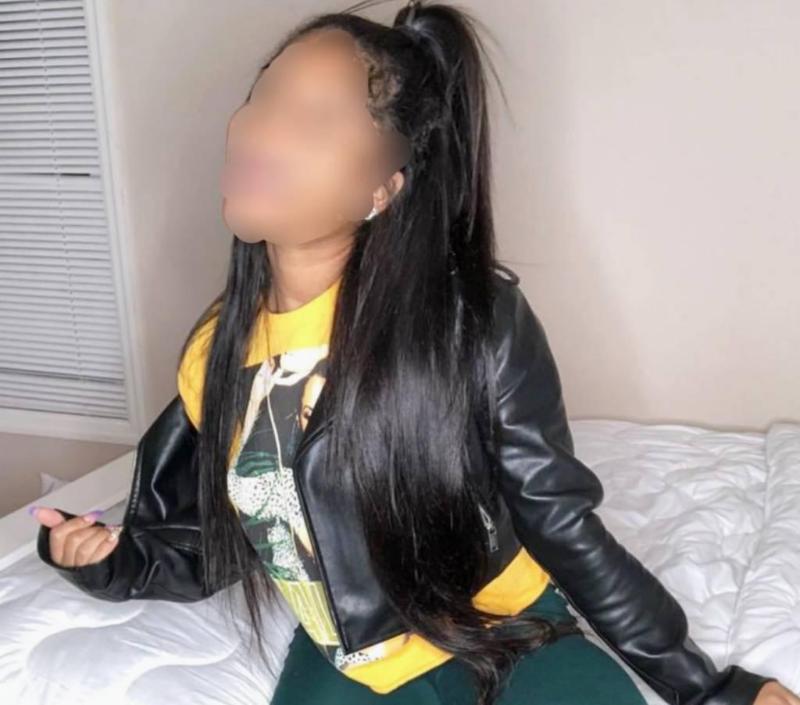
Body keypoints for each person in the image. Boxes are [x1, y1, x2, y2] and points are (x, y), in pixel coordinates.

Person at [30, 2, 798, 704]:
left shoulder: (470, 321)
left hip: (505, 625)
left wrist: (708, 688)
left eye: (315, 118)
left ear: (382, 190)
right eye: (265, 96)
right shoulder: (215, 353)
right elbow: (226, 540)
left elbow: (562, 523)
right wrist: (106, 561)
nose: (262, 130)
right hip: (354, 654)